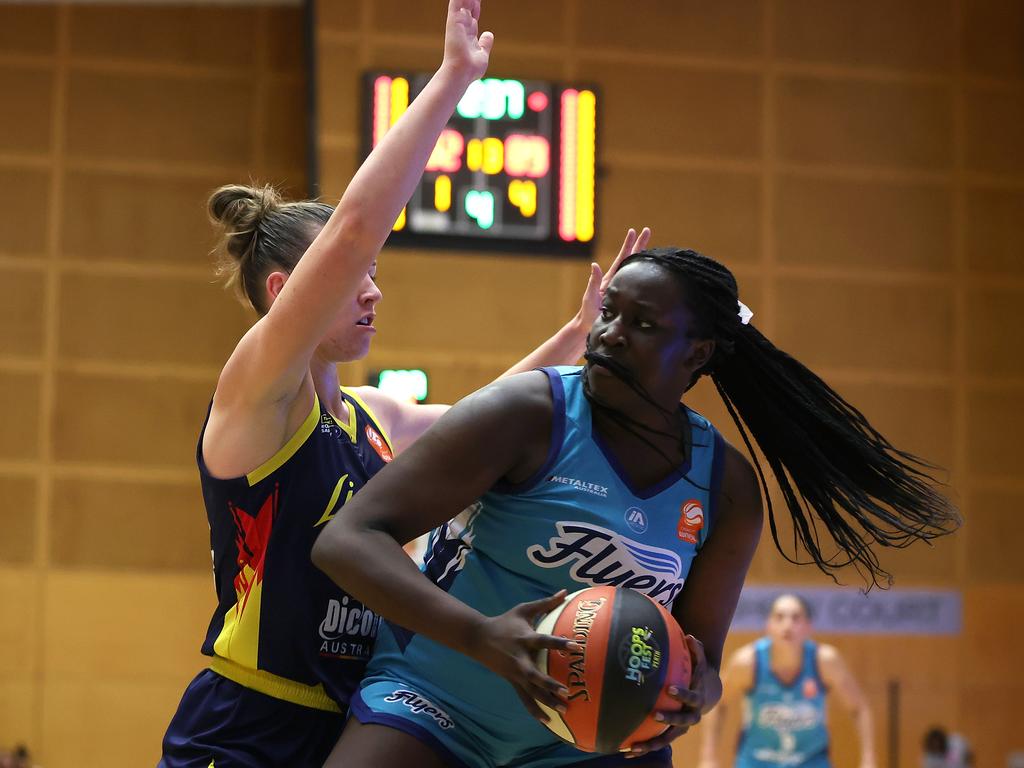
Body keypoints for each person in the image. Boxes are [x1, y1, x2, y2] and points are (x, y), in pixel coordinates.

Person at [159, 3, 644, 765]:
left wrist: (576, 336)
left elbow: (481, 424)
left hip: (352, 716)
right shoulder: (255, 398)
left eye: (376, 276)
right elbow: (355, 226)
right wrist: (452, 81)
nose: (373, 290)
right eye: (356, 277)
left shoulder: (370, 413)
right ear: (288, 293)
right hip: (252, 721)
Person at [311, 247, 959, 768]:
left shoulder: (725, 486)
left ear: (697, 355)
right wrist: (480, 637)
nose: (610, 335)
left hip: (587, 739)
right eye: (608, 314)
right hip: (436, 697)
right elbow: (348, 539)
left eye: (641, 325)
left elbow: (698, 657)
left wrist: (696, 692)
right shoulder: (524, 413)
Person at [697, 594, 875, 768]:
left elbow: (859, 707)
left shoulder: (825, 661)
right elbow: (717, 704)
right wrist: (708, 758)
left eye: (796, 618)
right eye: (779, 617)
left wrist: (869, 759)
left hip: (812, 760)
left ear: (808, 626)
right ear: (768, 625)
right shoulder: (748, 662)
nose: (787, 625)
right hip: (757, 761)